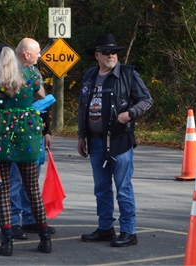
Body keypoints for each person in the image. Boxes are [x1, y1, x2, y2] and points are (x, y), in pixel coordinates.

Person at [0, 43, 53, 256]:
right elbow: (43, 96)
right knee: (32, 190)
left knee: (3, 191)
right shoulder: (29, 76)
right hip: (27, 138)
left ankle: (7, 242)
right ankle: (45, 239)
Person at [77, 34, 153, 248]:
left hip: (119, 139)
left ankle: (129, 231)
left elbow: (146, 100)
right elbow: (83, 107)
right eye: (106, 52)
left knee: (123, 187)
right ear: (97, 55)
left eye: (114, 52)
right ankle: (105, 228)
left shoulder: (128, 74)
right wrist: (81, 135)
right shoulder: (90, 75)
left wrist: (128, 114)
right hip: (95, 141)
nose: (111, 55)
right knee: (101, 188)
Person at [10, 38, 56, 239]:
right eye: (37, 52)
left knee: (31, 179)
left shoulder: (35, 72)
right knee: (15, 179)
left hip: (35, 132)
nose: (40, 56)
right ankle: (12, 222)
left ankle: (29, 219)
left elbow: (43, 103)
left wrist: (46, 131)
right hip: (16, 133)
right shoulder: (10, 72)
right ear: (26, 54)